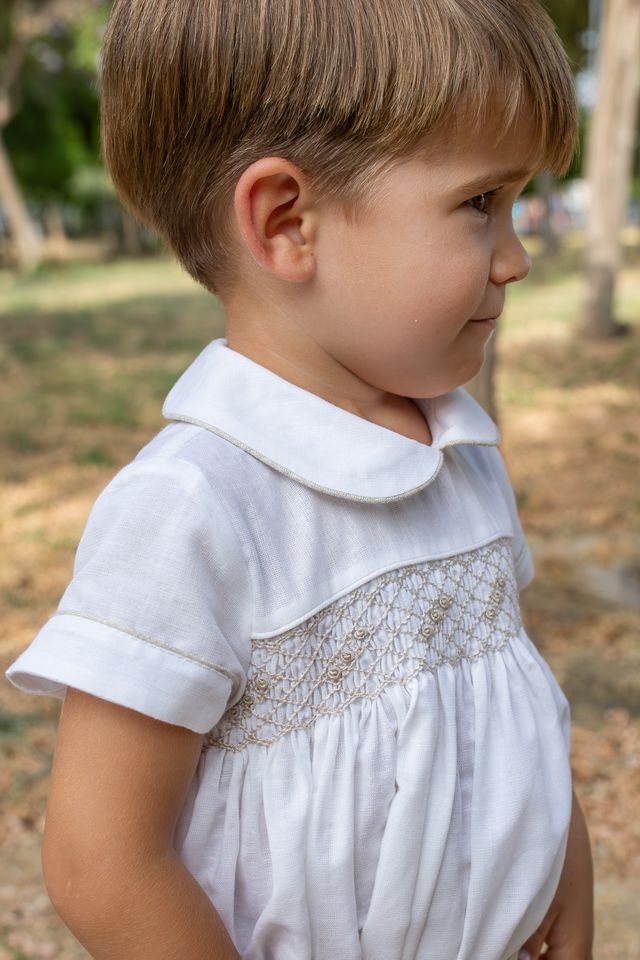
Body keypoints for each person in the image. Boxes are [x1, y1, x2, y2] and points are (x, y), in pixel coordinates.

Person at [5, 0, 594, 957]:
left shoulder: (458, 450)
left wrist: (563, 872)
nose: (518, 258)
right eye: (482, 204)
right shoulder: (194, 509)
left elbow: (501, 701)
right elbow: (101, 861)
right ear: (287, 223)